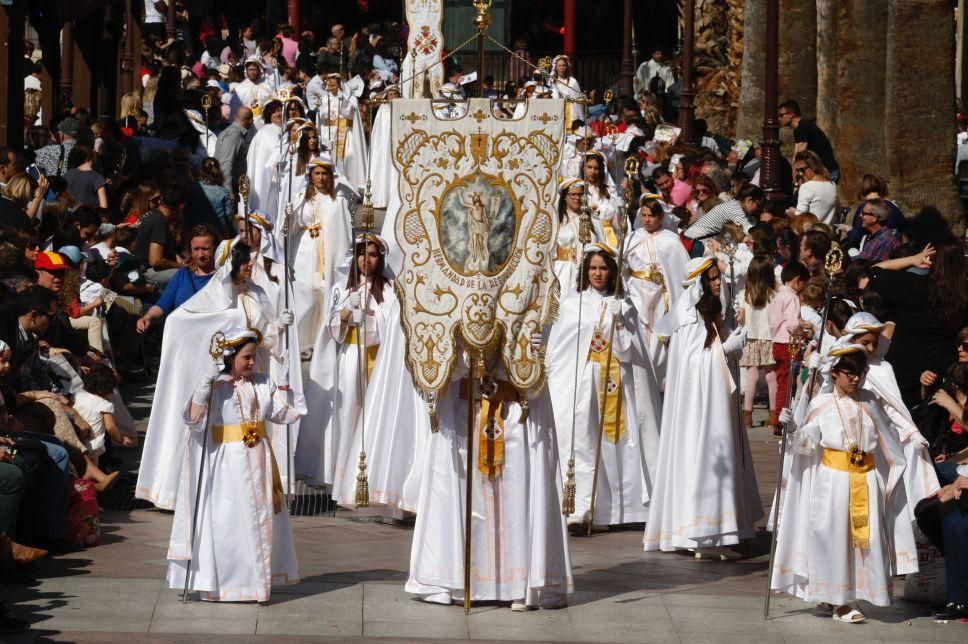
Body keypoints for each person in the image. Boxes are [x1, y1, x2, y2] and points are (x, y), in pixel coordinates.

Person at [404, 338, 572, 610]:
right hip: (464, 411)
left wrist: (530, 344)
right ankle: (461, 581)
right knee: (464, 495)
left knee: (515, 495)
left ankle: (519, 584)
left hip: (514, 410)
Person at [136, 243, 294, 510]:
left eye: (249, 261)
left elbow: (264, 336)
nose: (248, 266)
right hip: (222, 383)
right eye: (243, 261)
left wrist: (279, 326)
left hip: (250, 375)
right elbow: (181, 323)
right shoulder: (214, 298)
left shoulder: (256, 292)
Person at [771, 345, 917, 623]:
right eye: (849, 373)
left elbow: (889, 439)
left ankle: (855, 593)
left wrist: (894, 474)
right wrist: (792, 429)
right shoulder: (822, 404)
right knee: (833, 537)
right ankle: (837, 598)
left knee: (865, 540)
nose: (855, 379)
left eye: (860, 373)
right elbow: (807, 441)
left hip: (866, 479)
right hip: (834, 481)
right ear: (835, 373)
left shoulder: (871, 402)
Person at [166, 326, 304, 602]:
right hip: (228, 462)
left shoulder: (263, 383)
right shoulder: (218, 388)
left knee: (259, 517)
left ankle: (256, 583)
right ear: (230, 357)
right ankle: (228, 583)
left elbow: (285, 415)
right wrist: (204, 386)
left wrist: (285, 383)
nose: (252, 363)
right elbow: (195, 421)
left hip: (259, 458)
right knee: (229, 521)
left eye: (254, 357)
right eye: (246, 357)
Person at [644, 257, 761, 557]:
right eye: (710, 279)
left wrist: (730, 331)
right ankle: (706, 534)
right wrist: (728, 348)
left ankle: (721, 529)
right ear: (697, 283)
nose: (716, 282)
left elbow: (710, 353)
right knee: (706, 457)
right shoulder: (689, 317)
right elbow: (695, 363)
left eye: (716, 278)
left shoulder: (705, 312)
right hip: (699, 409)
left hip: (714, 400)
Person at [546, 244, 661, 530]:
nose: (598, 273)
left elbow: (629, 353)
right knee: (581, 442)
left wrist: (620, 321)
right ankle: (582, 507)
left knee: (616, 442)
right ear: (585, 271)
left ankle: (620, 508)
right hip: (582, 382)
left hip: (615, 383)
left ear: (612, 271)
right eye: (593, 268)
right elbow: (561, 347)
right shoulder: (572, 304)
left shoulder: (624, 303)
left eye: (603, 268)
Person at [868, 238, 968, 405]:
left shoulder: (912, 287)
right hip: (941, 373)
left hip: (903, 371)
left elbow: (874, 271)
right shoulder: (963, 296)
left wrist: (913, 259)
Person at [287, 154, 352, 356]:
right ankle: (302, 343)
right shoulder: (301, 199)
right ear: (311, 175)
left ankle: (322, 340)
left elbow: (344, 232)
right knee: (306, 292)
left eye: (325, 174)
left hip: (329, 252)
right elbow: (291, 228)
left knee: (324, 292)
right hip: (306, 250)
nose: (321, 178)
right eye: (317, 173)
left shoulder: (337, 201)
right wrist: (289, 216)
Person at [623, 199, 689, 386]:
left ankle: (659, 379)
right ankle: (638, 376)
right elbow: (623, 265)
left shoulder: (670, 240)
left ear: (661, 216)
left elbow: (680, 269)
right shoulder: (633, 237)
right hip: (637, 292)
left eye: (651, 215)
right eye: (643, 215)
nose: (647, 219)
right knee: (640, 331)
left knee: (658, 333)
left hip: (661, 295)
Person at [136, 225, 219, 333]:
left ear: (217, 248)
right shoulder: (184, 274)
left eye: (206, 249)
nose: (200, 254)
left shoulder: (223, 277)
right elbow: (163, 305)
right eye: (196, 249)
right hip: (183, 335)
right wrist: (148, 318)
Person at [768, 261, 809, 434]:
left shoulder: (777, 296)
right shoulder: (792, 297)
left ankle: (779, 418)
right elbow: (792, 324)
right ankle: (781, 421)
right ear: (798, 280)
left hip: (778, 342)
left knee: (782, 382)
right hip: (788, 345)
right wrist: (804, 331)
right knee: (787, 384)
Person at [738, 255, 778, 429]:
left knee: (751, 376)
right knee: (771, 376)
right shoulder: (775, 294)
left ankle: (747, 414)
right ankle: (773, 413)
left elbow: (740, 318)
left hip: (751, 337)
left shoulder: (745, 294)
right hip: (770, 337)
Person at [778, 99, 840, 182]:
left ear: (791, 114)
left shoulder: (803, 126)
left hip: (828, 172)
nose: (779, 118)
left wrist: (794, 179)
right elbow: (796, 156)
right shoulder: (798, 128)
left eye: (781, 115)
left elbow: (798, 157)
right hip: (824, 172)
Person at [133, 191, 184, 289]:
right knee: (186, 275)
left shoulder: (151, 214)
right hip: (144, 272)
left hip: (137, 267)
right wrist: (180, 266)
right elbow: (155, 261)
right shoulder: (159, 222)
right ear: (180, 208)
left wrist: (180, 261)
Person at [244, 99, 283, 216]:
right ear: (268, 115)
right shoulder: (264, 133)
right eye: (274, 112)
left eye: (280, 110)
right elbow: (259, 159)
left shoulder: (287, 130)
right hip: (267, 177)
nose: (278, 114)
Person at [184, 158, 235, 233]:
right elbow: (229, 213)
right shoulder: (223, 190)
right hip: (217, 231)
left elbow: (187, 208)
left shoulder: (195, 187)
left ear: (202, 171)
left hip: (197, 230)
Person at [213, 107, 255, 196]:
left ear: (235, 116)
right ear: (251, 121)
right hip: (228, 187)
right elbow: (226, 163)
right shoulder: (234, 134)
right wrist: (229, 192)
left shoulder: (234, 132)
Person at [788, 150, 837, 224]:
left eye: (802, 170)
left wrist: (792, 212)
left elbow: (800, 216)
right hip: (827, 232)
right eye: (798, 170)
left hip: (811, 233)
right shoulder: (832, 184)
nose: (800, 174)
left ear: (813, 166)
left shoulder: (806, 187)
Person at [230, 58, 277, 122]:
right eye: (250, 70)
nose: (252, 72)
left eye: (254, 69)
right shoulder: (239, 88)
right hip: (245, 123)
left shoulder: (268, 86)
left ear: (259, 70)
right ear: (246, 70)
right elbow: (234, 110)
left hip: (264, 123)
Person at [64, 143, 108, 209]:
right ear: (93, 152)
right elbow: (104, 207)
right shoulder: (97, 178)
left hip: (70, 217)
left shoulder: (68, 174)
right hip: (89, 217)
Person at [548, 55, 584, 128]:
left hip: (569, 111)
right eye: (559, 65)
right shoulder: (551, 81)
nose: (562, 68)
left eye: (564, 65)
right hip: (556, 110)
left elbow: (577, 100)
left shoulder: (572, 82)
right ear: (556, 67)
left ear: (567, 67)